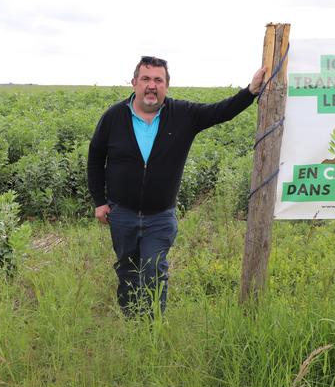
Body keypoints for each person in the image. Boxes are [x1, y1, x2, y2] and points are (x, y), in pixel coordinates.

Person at [87, 56, 269, 317]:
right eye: (146, 79)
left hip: (160, 216)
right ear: (134, 83)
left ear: (167, 86)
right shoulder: (114, 117)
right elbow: (95, 157)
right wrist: (99, 201)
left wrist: (250, 92)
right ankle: (131, 322)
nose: (152, 86)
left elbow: (221, 111)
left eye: (158, 80)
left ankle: (153, 327)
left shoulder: (183, 114)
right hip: (122, 214)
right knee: (127, 269)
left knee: (153, 269)